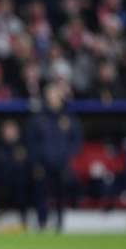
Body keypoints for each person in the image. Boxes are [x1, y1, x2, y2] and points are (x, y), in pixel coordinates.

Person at [27, 83, 81, 231]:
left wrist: (68, 154)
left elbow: (76, 140)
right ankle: (42, 223)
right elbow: (31, 142)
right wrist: (36, 162)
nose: (53, 97)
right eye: (50, 94)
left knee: (61, 194)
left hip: (62, 163)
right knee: (41, 194)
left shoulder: (68, 118)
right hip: (43, 163)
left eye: (55, 94)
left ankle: (60, 223)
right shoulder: (38, 118)